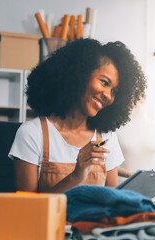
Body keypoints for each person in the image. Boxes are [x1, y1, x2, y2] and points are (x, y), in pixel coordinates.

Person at [8, 38, 147, 193]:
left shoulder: (107, 138)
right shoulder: (32, 133)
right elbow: (29, 208)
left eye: (114, 91)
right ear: (79, 75)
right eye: (104, 83)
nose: (108, 95)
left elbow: (113, 200)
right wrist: (76, 176)